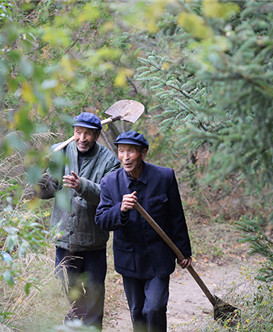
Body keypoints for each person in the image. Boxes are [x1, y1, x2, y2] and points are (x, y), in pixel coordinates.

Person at [95, 131, 192, 332]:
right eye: (121, 151)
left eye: (131, 151)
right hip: (129, 258)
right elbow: (102, 220)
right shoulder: (110, 182)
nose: (126, 157)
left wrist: (183, 252)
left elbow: (176, 217)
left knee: (154, 308)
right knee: (137, 312)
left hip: (159, 257)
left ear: (143, 153)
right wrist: (120, 208)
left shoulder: (164, 177)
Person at [36, 112, 120, 330]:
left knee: (94, 295)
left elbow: (108, 197)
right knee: (69, 291)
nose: (82, 138)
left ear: (97, 135)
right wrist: (40, 172)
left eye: (88, 134)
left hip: (93, 242)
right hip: (64, 239)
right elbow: (44, 192)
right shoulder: (60, 152)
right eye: (78, 132)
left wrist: (81, 185)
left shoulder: (109, 161)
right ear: (73, 132)